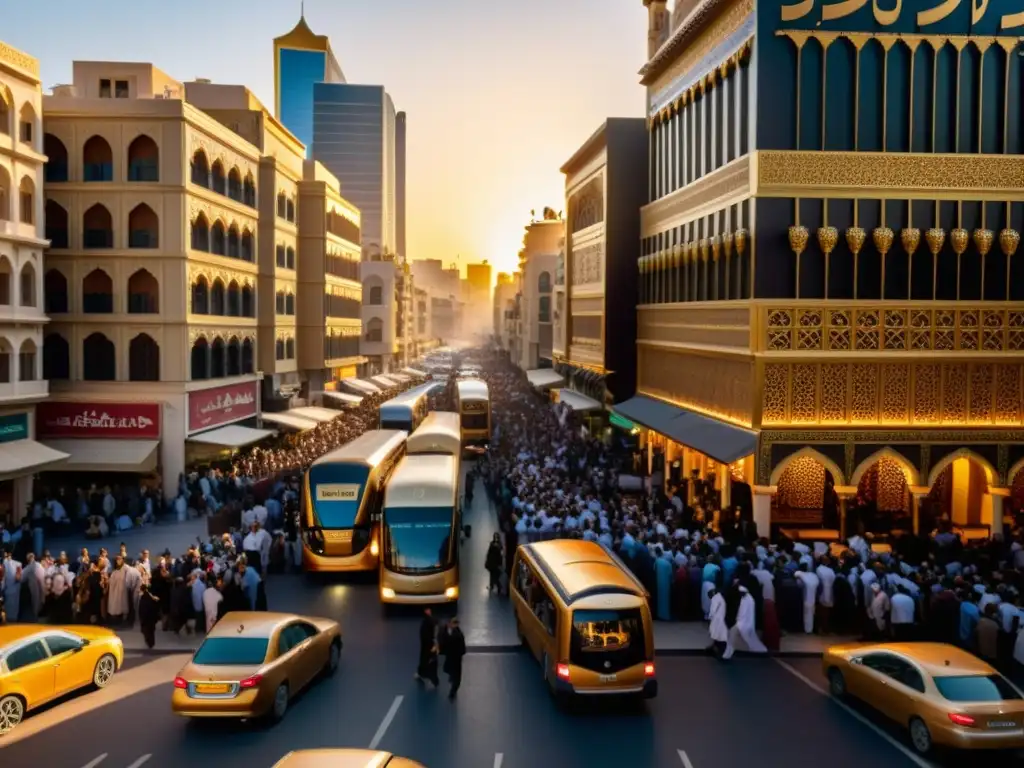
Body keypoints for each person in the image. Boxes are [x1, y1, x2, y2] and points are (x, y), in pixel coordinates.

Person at [441, 616, 466, 699]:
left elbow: (446, 641)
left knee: (454, 675)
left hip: (453, 657)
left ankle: (452, 692)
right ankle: (453, 690)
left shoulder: (455, 635)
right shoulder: (459, 633)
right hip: (456, 658)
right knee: (456, 675)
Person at [416, 607, 439, 686]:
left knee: (428, 660)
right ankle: (430, 678)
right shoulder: (431, 621)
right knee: (430, 660)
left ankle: (432, 679)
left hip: (428, 645)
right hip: (429, 644)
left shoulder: (427, 621)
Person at [707, 587, 728, 658]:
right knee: (719, 634)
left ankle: (720, 651)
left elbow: (713, 609)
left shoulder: (715, 598)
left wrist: (709, 617)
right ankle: (716, 648)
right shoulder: (720, 597)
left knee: (717, 634)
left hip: (717, 619)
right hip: (721, 618)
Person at [138, 583, 160, 649]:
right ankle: (151, 643)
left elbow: (141, 610)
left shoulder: (143, 598)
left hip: (146, 618)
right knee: (151, 631)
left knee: (146, 632)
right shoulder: (152, 597)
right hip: (151, 618)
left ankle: (149, 643)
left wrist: (141, 618)